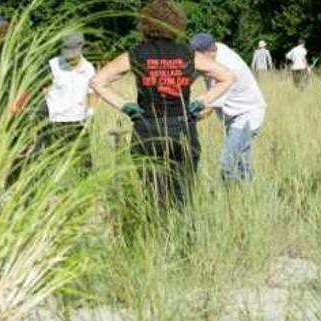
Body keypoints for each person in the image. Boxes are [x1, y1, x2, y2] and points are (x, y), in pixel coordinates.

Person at [91, 0, 234, 208]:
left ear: (146, 25)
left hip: (147, 127)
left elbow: (97, 82)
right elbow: (227, 77)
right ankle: (183, 234)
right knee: (183, 194)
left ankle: (158, 233)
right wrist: (199, 103)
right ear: (177, 25)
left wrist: (125, 106)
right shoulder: (188, 54)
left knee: (154, 194)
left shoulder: (135, 54)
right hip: (182, 127)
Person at [191, 34, 267, 183]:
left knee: (229, 162)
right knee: (241, 162)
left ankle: (233, 197)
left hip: (246, 115)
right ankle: (246, 196)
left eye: (198, 56)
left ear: (211, 51)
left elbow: (207, 109)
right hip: (233, 116)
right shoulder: (213, 53)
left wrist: (183, 115)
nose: (196, 60)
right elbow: (191, 76)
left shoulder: (227, 67)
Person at [45, 33, 97, 133]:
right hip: (56, 122)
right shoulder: (52, 65)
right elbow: (44, 91)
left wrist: (90, 115)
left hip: (80, 121)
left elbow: (92, 94)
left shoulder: (89, 69)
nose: (70, 58)